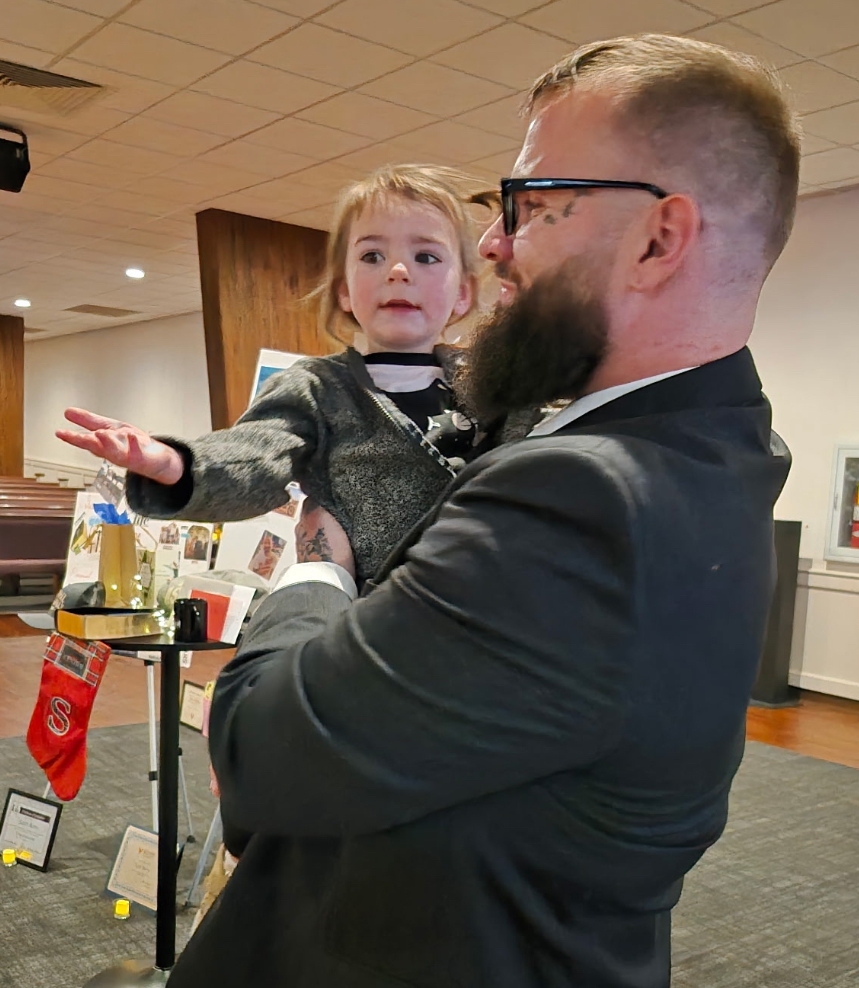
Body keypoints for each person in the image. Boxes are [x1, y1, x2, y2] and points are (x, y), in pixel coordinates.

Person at [170, 34, 798, 988]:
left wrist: (316, 567)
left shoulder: (584, 499)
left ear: (658, 238)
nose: (495, 244)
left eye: (534, 206)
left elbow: (262, 747)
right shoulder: (725, 441)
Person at [56, 164, 532, 587]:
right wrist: (175, 465)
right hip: (369, 619)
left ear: (464, 294)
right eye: (372, 256)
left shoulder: (492, 382)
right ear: (345, 292)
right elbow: (255, 455)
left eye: (427, 257)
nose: (399, 270)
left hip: (488, 608)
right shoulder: (317, 387)